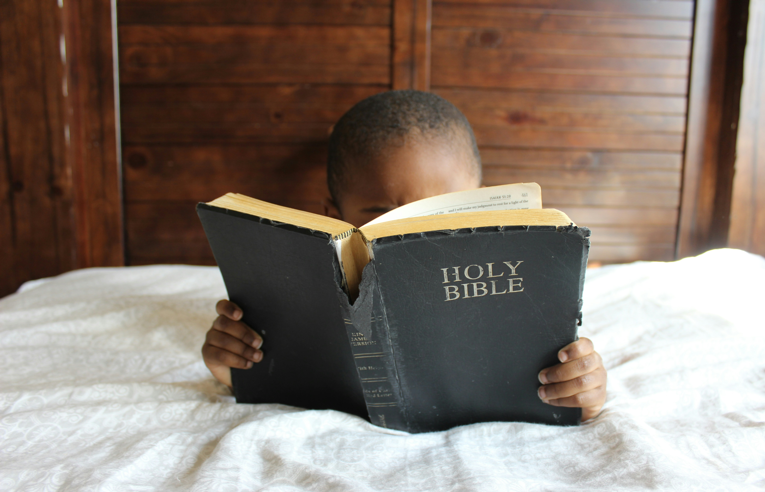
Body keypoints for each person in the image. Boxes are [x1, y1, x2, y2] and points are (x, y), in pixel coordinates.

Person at [201, 90, 607, 421]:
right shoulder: (302, 293)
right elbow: (277, 371)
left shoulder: (521, 288)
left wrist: (581, 391)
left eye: (446, 211)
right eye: (384, 216)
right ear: (332, 216)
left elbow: (569, 384)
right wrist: (235, 367)